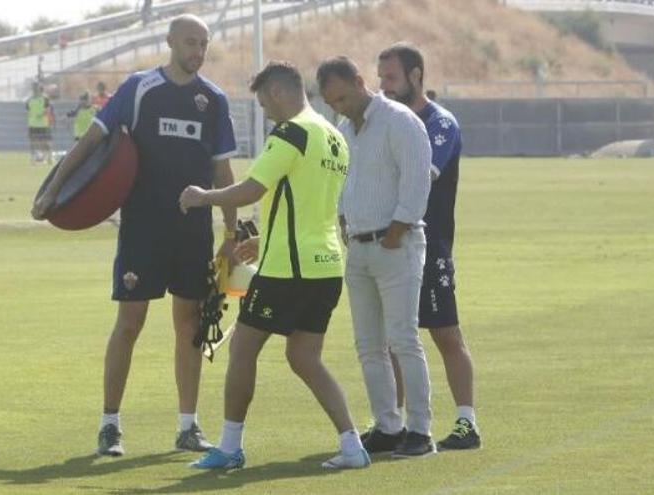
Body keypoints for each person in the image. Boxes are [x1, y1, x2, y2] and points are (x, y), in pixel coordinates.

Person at [32, 14, 239, 457]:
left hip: (193, 232)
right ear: (169, 42)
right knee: (130, 324)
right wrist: (51, 190)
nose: (197, 52)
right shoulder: (138, 88)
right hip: (142, 228)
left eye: (203, 44)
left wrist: (231, 230)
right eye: (189, 43)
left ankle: (188, 426)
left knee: (190, 328)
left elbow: (223, 172)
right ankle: (110, 425)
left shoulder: (214, 100)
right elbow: (90, 144)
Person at [180, 60, 370, 470]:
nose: (265, 110)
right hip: (326, 264)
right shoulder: (334, 136)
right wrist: (264, 239)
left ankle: (230, 447)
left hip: (288, 269)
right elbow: (309, 202)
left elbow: (250, 189)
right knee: (304, 357)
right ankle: (352, 445)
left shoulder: (291, 132)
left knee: (244, 349)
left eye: (264, 102)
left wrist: (201, 196)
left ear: (279, 93)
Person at [318, 56, 436, 458]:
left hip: (396, 245)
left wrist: (395, 232)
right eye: (332, 102)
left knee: (403, 339)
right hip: (359, 247)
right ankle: (388, 426)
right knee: (368, 345)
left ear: (358, 80)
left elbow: (417, 183)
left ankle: (420, 431)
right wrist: (343, 223)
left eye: (343, 97)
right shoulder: (343, 129)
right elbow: (342, 183)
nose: (340, 107)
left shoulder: (400, 121)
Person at [377, 42, 481, 450]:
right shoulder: (385, 121)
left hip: (429, 244)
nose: (383, 86)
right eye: (380, 77)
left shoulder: (439, 123)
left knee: (445, 333)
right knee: (392, 337)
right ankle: (393, 424)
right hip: (389, 243)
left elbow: (424, 175)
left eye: (391, 77)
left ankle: (466, 423)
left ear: (416, 76)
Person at [26, 82, 55, 165]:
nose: (35, 89)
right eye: (34, 87)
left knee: (46, 141)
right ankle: (33, 159)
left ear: (39, 88)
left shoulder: (45, 98)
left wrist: (41, 114)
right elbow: (28, 111)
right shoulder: (29, 99)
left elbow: (48, 110)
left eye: (37, 87)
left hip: (43, 124)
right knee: (33, 142)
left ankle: (49, 158)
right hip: (32, 124)